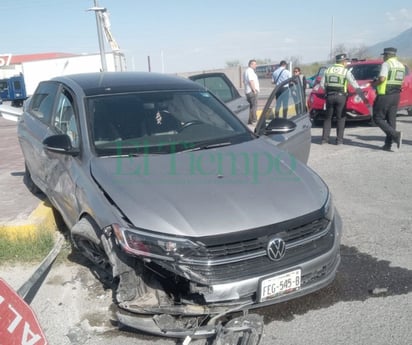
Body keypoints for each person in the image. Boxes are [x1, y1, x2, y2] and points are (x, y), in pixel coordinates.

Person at [320, 53, 367, 145]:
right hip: (341, 97)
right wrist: (362, 97)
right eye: (346, 61)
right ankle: (339, 140)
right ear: (343, 62)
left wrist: (327, 91)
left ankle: (324, 139)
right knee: (340, 118)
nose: (346, 63)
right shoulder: (345, 71)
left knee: (328, 118)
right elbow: (354, 84)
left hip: (329, 96)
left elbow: (322, 84)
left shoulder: (328, 70)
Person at [371, 47, 405, 151]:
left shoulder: (386, 64)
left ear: (387, 55)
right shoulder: (401, 65)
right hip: (396, 95)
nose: (383, 58)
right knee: (391, 120)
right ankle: (388, 145)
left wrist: (374, 84)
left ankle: (396, 135)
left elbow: (382, 79)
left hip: (385, 94)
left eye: (384, 56)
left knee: (378, 118)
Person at [243, 59, 260, 125]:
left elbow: (244, 81)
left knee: (250, 107)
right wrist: (254, 90)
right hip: (252, 91)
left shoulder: (246, 71)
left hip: (248, 91)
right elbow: (251, 81)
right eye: (254, 64)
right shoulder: (250, 71)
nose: (256, 65)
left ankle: (250, 120)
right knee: (254, 106)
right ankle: (254, 120)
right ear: (251, 64)